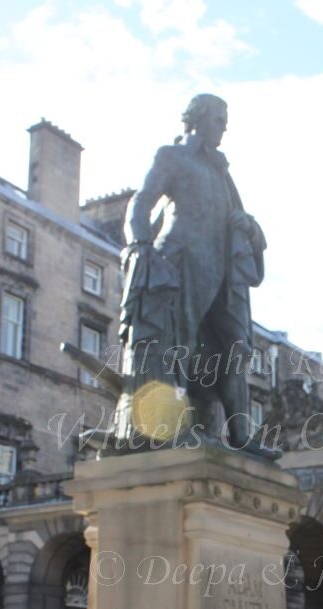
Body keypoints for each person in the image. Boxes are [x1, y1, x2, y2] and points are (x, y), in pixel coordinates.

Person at [119, 93, 267, 449]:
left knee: (235, 348)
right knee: (176, 345)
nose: (225, 126)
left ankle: (240, 437)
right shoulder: (174, 156)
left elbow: (236, 219)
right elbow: (141, 202)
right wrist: (140, 245)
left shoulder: (222, 173)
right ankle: (166, 426)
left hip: (222, 273)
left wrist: (247, 224)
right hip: (179, 260)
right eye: (219, 118)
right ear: (198, 118)